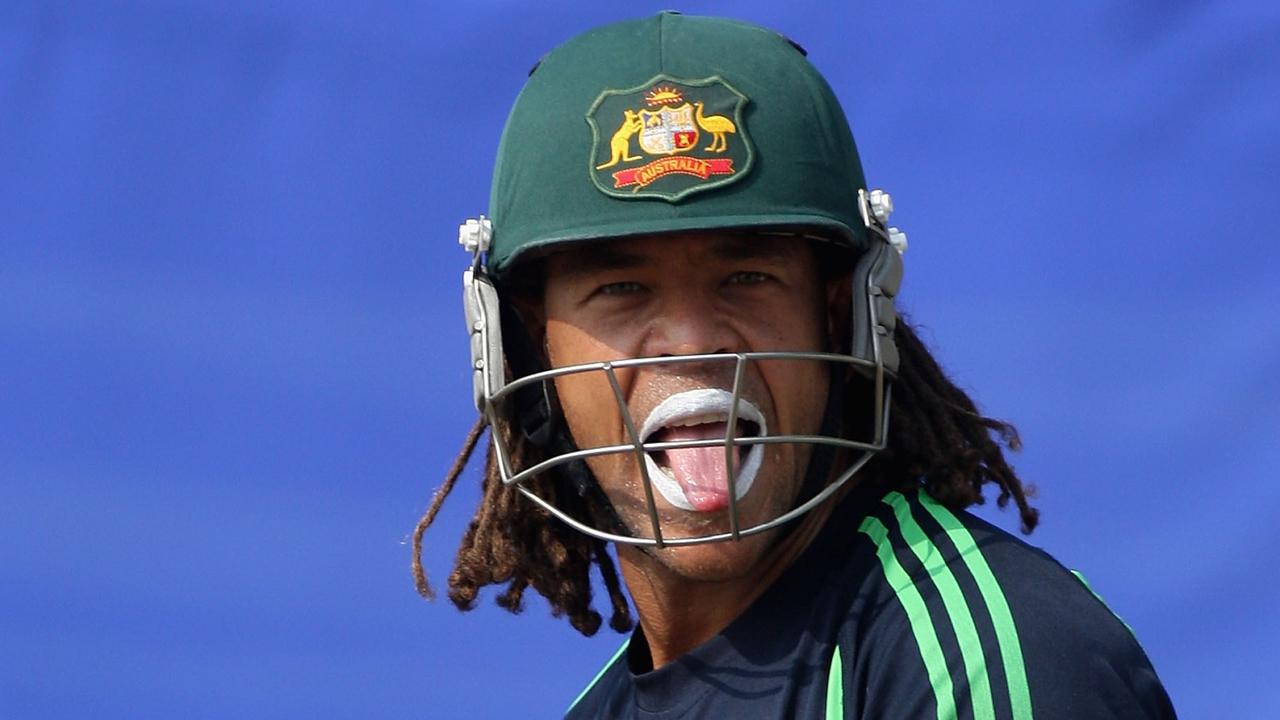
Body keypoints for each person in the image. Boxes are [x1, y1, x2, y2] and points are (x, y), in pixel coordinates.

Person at [412, 12, 1175, 719]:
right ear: (522, 341)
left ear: (843, 314)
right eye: (621, 287)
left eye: (747, 276)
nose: (692, 340)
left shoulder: (981, 662)